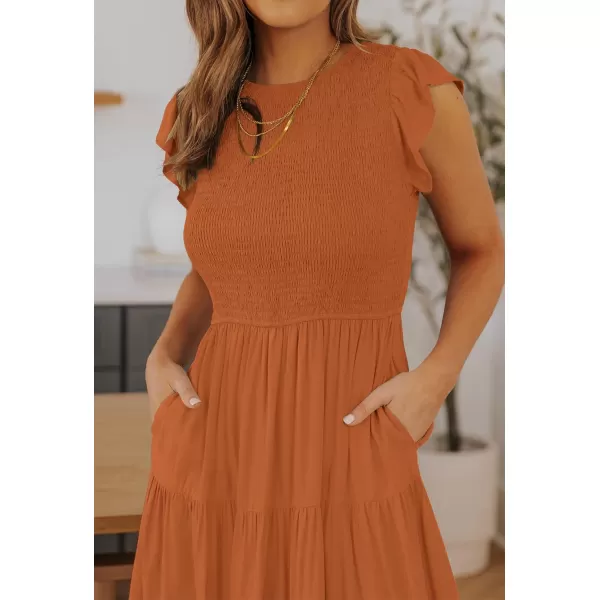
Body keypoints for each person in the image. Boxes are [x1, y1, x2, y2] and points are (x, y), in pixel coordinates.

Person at [130, 1, 505, 598]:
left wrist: (436, 379)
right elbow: (222, 265)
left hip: (351, 450)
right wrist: (164, 353)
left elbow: (481, 250)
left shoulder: (408, 88)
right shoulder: (197, 110)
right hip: (215, 450)